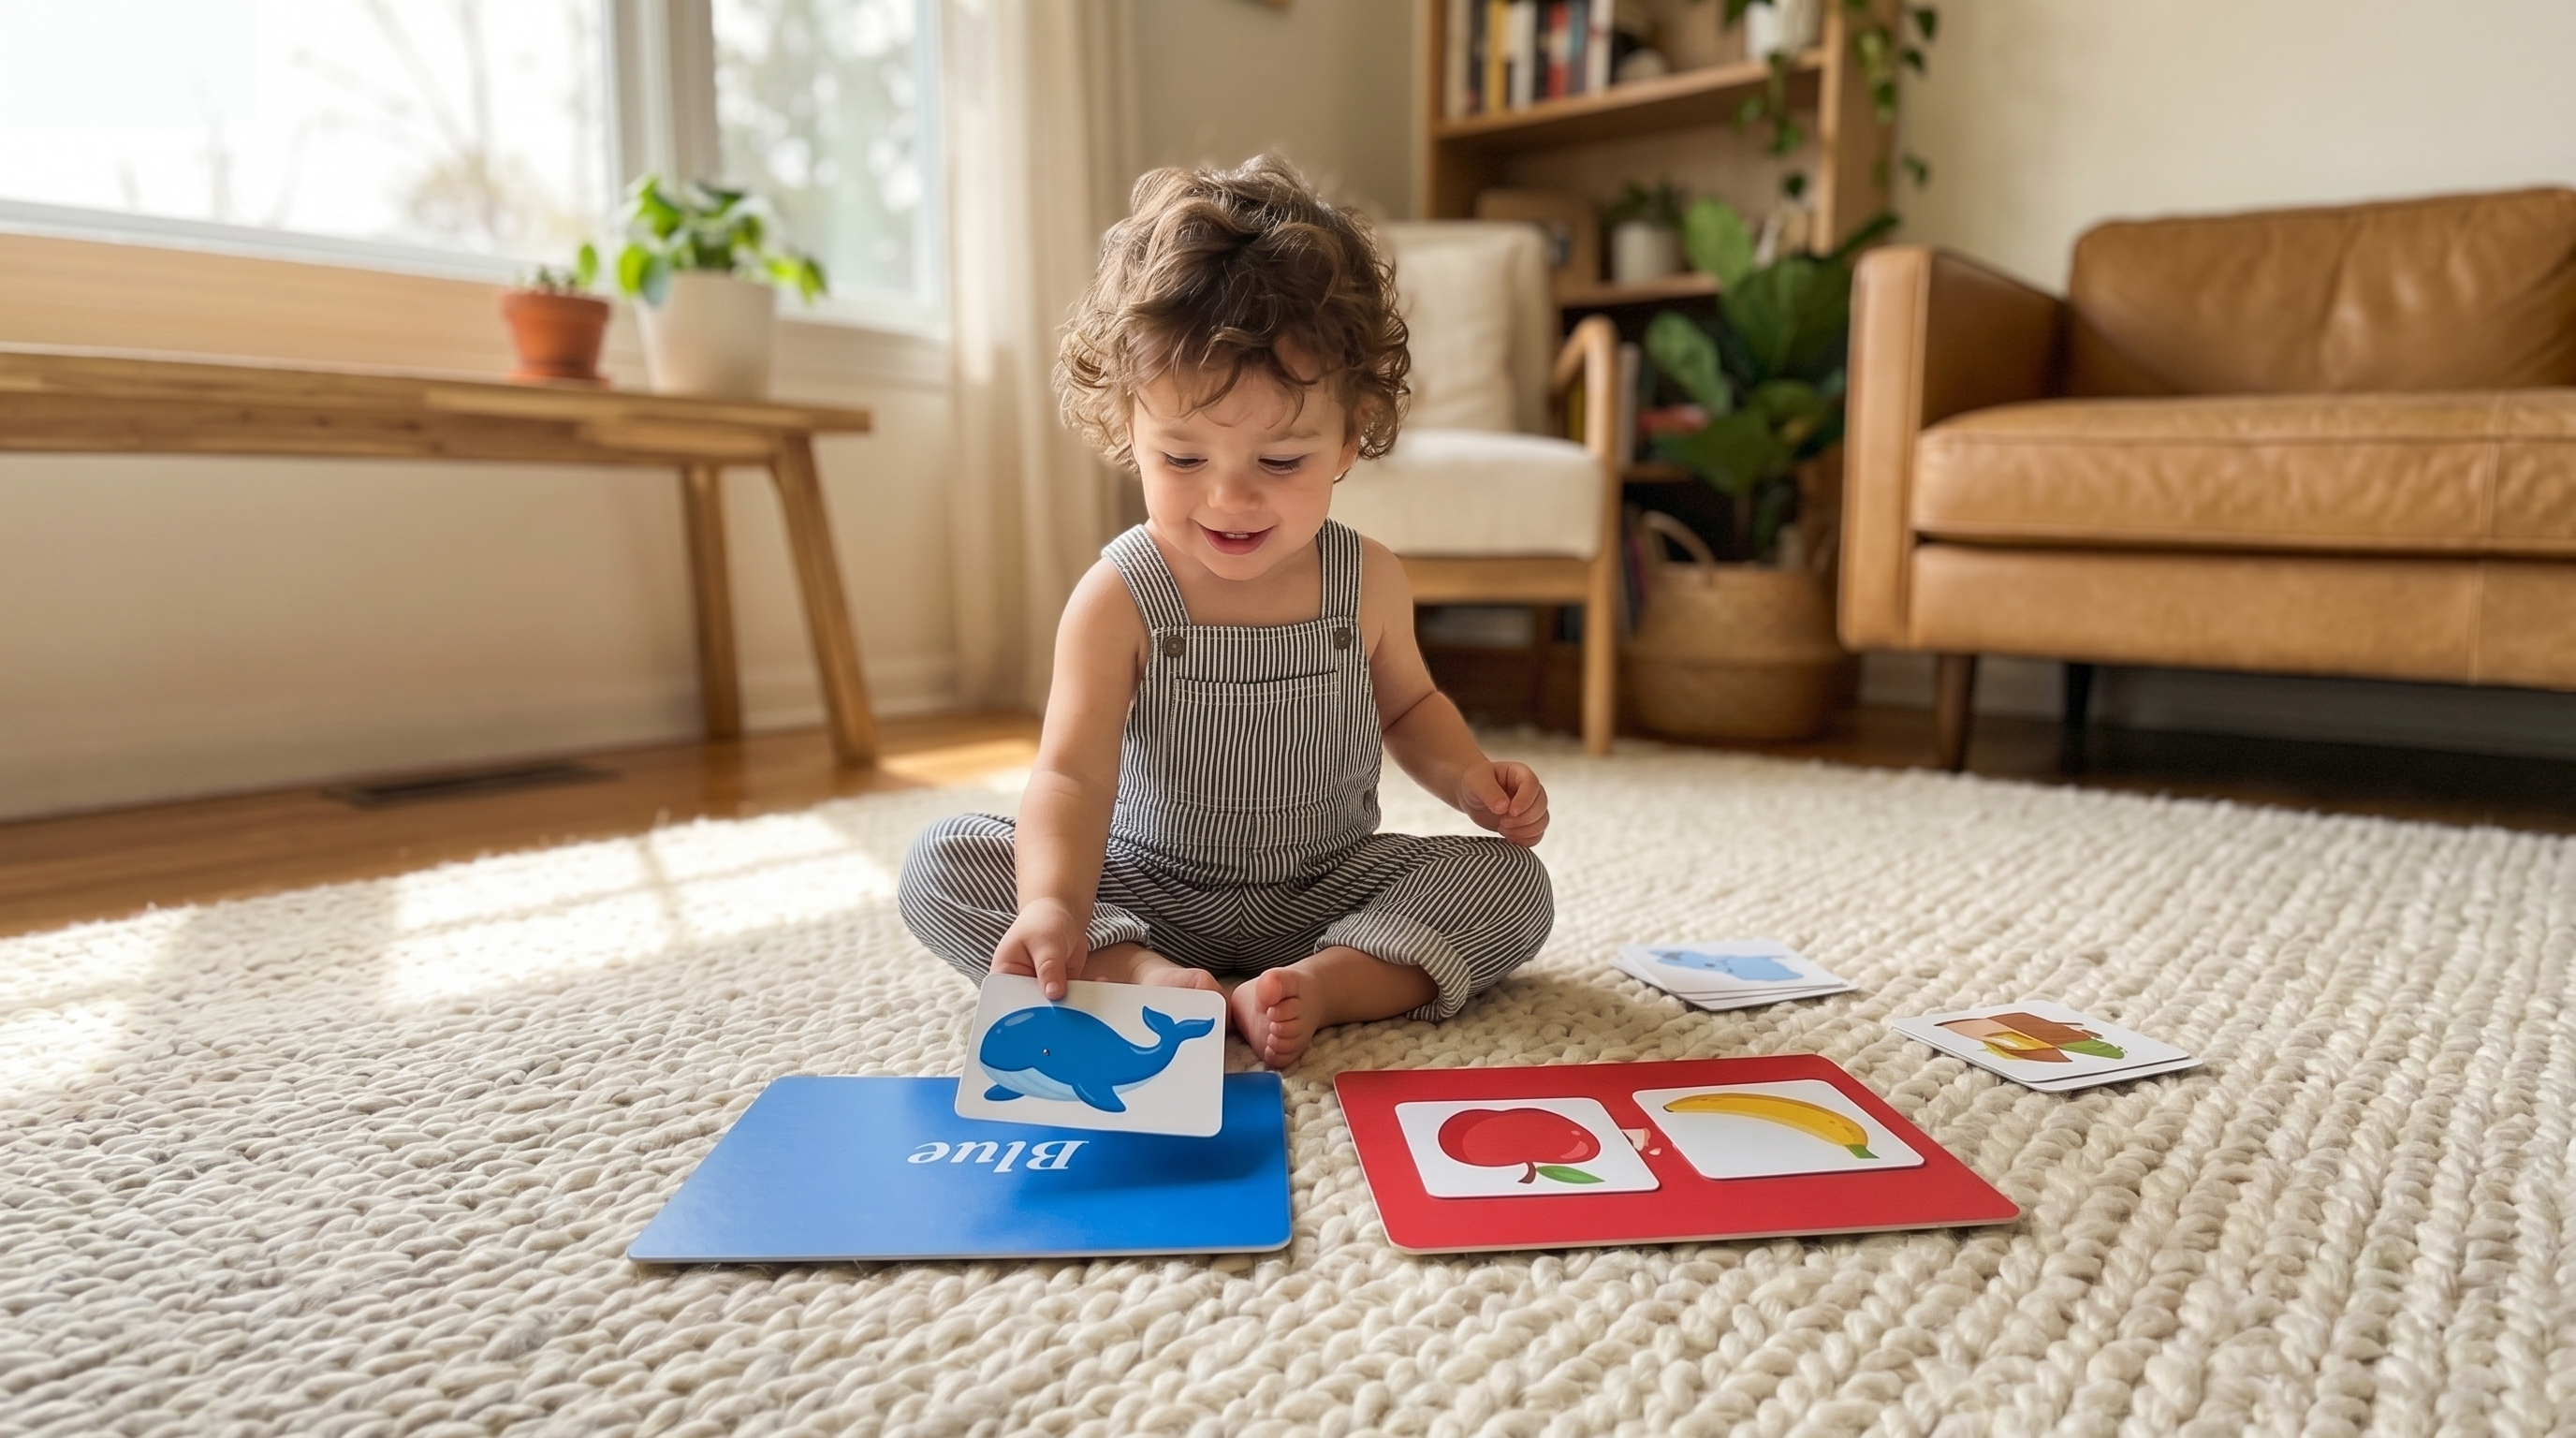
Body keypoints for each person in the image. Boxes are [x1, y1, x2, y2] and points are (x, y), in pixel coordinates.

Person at [900, 155, 1553, 1068]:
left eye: (1280, 462)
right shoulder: (1119, 596)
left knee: (1513, 886)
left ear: (1349, 436)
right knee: (942, 860)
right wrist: (1054, 905)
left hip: (1326, 888)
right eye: (1182, 460)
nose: (1229, 499)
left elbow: (1408, 710)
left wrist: (1472, 781)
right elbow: (1071, 779)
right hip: (1147, 888)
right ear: (1127, 426)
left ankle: (1325, 984)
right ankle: (1137, 973)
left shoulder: (1365, 580)